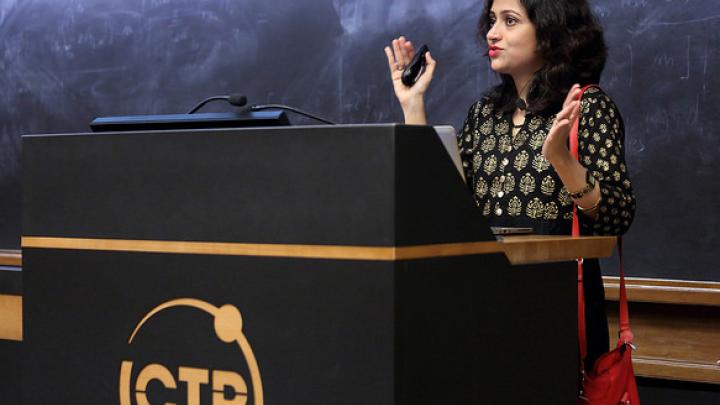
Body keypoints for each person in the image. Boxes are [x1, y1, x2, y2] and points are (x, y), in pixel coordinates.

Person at [384, 0, 636, 372]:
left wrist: (562, 160)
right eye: (491, 20)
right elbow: (443, 201)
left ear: (551, 30)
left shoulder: (587, 107)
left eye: (510, 21)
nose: (492, 33)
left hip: (553, 308)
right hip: (480, 300)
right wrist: (413, 105)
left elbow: (616, 217)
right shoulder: (484, 112)